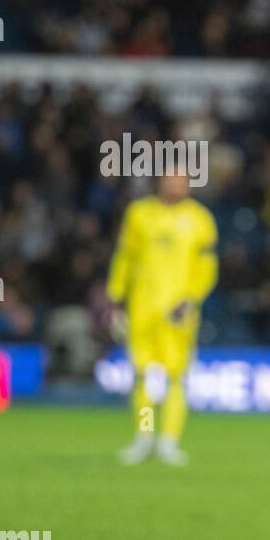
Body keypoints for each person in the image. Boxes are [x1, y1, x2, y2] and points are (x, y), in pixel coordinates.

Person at [106, 170, 218, 466]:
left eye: (181, 181)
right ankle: (144, 437)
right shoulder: (139, 214)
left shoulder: (200, 219)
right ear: (159, 183)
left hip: (179, 312)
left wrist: (191, 298)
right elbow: (125, 257)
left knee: (176, 377)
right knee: (142, 375)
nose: (175, 185)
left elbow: (206, 267)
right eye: (170, 180)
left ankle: (169, 440)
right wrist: (116, 297)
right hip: (142, 308)